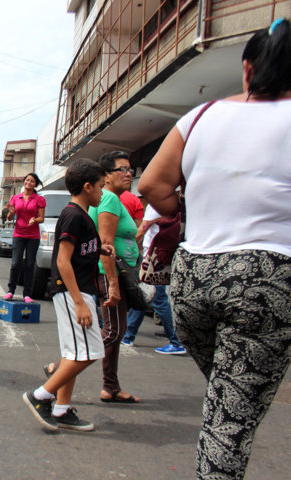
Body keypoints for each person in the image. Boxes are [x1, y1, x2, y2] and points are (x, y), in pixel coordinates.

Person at [138, 19, 291, 480]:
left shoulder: (201, 115)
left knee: (229, 395)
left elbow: (152, 185)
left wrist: (188, 214)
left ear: (248, 68)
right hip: (267, 275)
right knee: (230, 418)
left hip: (194, 276)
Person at [23, 159, 113, 431]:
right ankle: (41, 396)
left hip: (81, 290)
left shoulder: (81, 215)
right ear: (87, 187)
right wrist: (79, 303)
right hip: (74, 292)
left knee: (75, 352)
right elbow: (63, 261)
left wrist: (99, 250)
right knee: (89, 353)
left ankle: (61, 410)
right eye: (100, 187)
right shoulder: (73, 215)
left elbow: (77, 254)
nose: (102, 192)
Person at [88, 151, 140, 403]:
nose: (129, 174)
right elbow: (106, 244)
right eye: (123, 169)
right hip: (109, 273)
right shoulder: (108, 199)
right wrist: (113, 284)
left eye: (131, 170)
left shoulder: (113, 199)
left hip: (119, 273)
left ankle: (111, 386)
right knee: (112, 332)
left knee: (116, 332)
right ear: (107, 175)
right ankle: (60, 369)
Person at [120, 204, 186, 354]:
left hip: (153, 258)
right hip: (160, 256)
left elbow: (142, 230)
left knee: (157, 298)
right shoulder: (170, 205)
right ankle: (129, 336)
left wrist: (128, 249)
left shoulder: (157, 205)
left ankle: (175, 341)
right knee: (144, 295)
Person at [3, 172, 46, 303]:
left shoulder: (39, 199)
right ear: (24, 182)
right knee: (15, 263)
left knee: (29, 264)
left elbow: (41, 218)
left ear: (35, 184)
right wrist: (10, 212)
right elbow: (10, 218)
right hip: (19, 234)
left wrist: (35, 220)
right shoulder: (16, 198)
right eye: (27, 180)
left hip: (33, 236)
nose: (29, 182)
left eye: (32, 181)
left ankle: (27, 294)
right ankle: (10, 291)